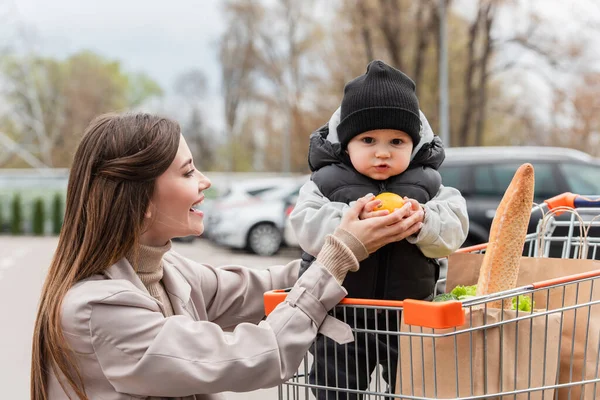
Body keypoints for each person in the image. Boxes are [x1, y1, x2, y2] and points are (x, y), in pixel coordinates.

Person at [30, 112, 427, 400]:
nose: (205, 182)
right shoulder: (99, 309)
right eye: (187, 173)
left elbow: (266, 286)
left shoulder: (170, 273)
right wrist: (340, 255)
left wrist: (380, 256)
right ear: (142, 201)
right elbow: (257, 355)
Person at [290, 60, 469, 399]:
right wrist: (349, 224)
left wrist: (423, 221)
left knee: (414, 387)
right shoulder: (324, 183)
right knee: (335, 388)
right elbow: (305, 226)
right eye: (368, 140)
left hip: (407, 318)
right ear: (346, 144)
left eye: (397, 142)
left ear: (414, 145)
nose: (382, 152)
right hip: (340, 313)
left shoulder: (429, 186)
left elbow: (455, 226)